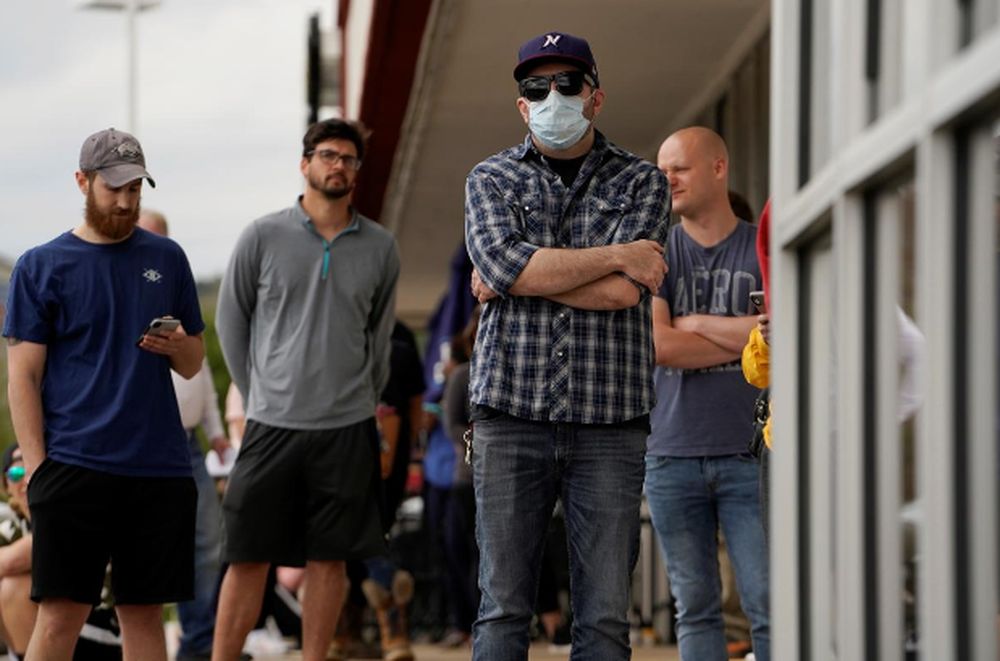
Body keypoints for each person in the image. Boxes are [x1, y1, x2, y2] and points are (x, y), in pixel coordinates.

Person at [463, 31, 670, 659]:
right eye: (536, 88)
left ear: (596, 97)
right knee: (502, 610)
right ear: (522, 106)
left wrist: (521, 277)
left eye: (567, 83)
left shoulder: (644, 181)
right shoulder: (489, 178)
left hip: (610, 421)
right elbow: (509, 268)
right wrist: (613, 257)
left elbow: (622, 295)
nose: (553, 96)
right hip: (509, 415)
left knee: (605, 618)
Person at [3, 127, 204, 661]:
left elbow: (193, 363)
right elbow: (21, 377)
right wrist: (41, 471)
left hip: (158, 468)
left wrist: (178, 344)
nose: (125, 201)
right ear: (82, 182)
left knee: (143, 616)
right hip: (73, 467)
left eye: (135, 189)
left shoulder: (169, 257)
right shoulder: (41, 266)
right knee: (60, 615)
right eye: (114, 188)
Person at [213, 118, 400, 661]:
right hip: (271, 424)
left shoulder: (381, 247)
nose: (337, 164)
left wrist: (364, 403)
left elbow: (380, 337)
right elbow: (231, 324)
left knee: (330, 560)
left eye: (348, 158)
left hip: (346, 426)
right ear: (305, 163)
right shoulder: (262, 235)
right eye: (326, 155)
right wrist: (257, 395)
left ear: (356, 171)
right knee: (247, 556)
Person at [645, 126, 770, 661]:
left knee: (768, 603)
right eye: (662, 169)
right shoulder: (655, 252)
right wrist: (744, 334)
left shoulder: (761, 248)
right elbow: (659, 346)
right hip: (671, 453)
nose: (666, 179)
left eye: (680, 168)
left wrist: (693, 321)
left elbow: (778, 335)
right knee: (693, 606)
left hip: (753, 452)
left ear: (718, 168)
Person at [136, 210, 230, 661]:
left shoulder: (174, 288)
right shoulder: (130, 295)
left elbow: (202, 378)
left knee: (209, 542)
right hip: (143, 438)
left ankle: (198, 643)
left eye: (164, 238)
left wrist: (216, 433)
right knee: (145, 553)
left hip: (189, 443)